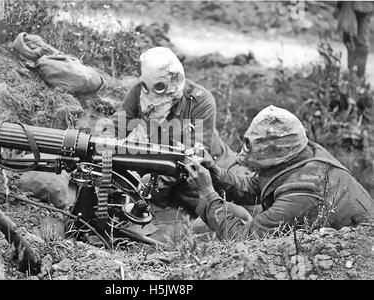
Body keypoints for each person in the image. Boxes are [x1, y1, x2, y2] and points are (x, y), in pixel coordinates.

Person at [185, 105, 374, 240]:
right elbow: (256, 186)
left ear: (278, 153)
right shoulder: (302, 153)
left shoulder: (304, 191)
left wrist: (208, 195)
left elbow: (244, 239)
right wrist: (215, 174)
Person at [101, 46, 244, 215]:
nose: (151, 96)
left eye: (160, 89)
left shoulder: (200, 102)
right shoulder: (139, 91)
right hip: (165, 169)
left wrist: (152, 183)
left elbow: (193, 159)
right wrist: (105, 149)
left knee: (231, 214)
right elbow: (116, 126)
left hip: (209, 171)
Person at [336, 1, 373, 79]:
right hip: (349, 6)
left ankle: (357, 77)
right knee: (349, 42)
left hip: (363, 6)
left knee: (360, 44)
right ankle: (352, 75)